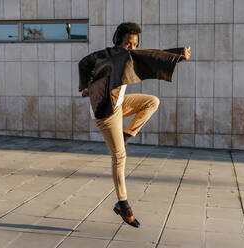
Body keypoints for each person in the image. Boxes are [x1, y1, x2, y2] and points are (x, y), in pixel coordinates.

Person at [78, 22, 191, 228]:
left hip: (120, 103)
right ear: (118, 41)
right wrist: (86, 86)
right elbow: (83, 63)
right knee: (119, 156)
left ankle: (127, 135)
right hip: (107, 112)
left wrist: (86, 86)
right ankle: (122, 204)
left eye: (135, 45)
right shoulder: (112, 55)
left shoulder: (122, 56)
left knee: (152, 101)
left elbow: (148, 56)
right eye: (129, 44)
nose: (132, 49)